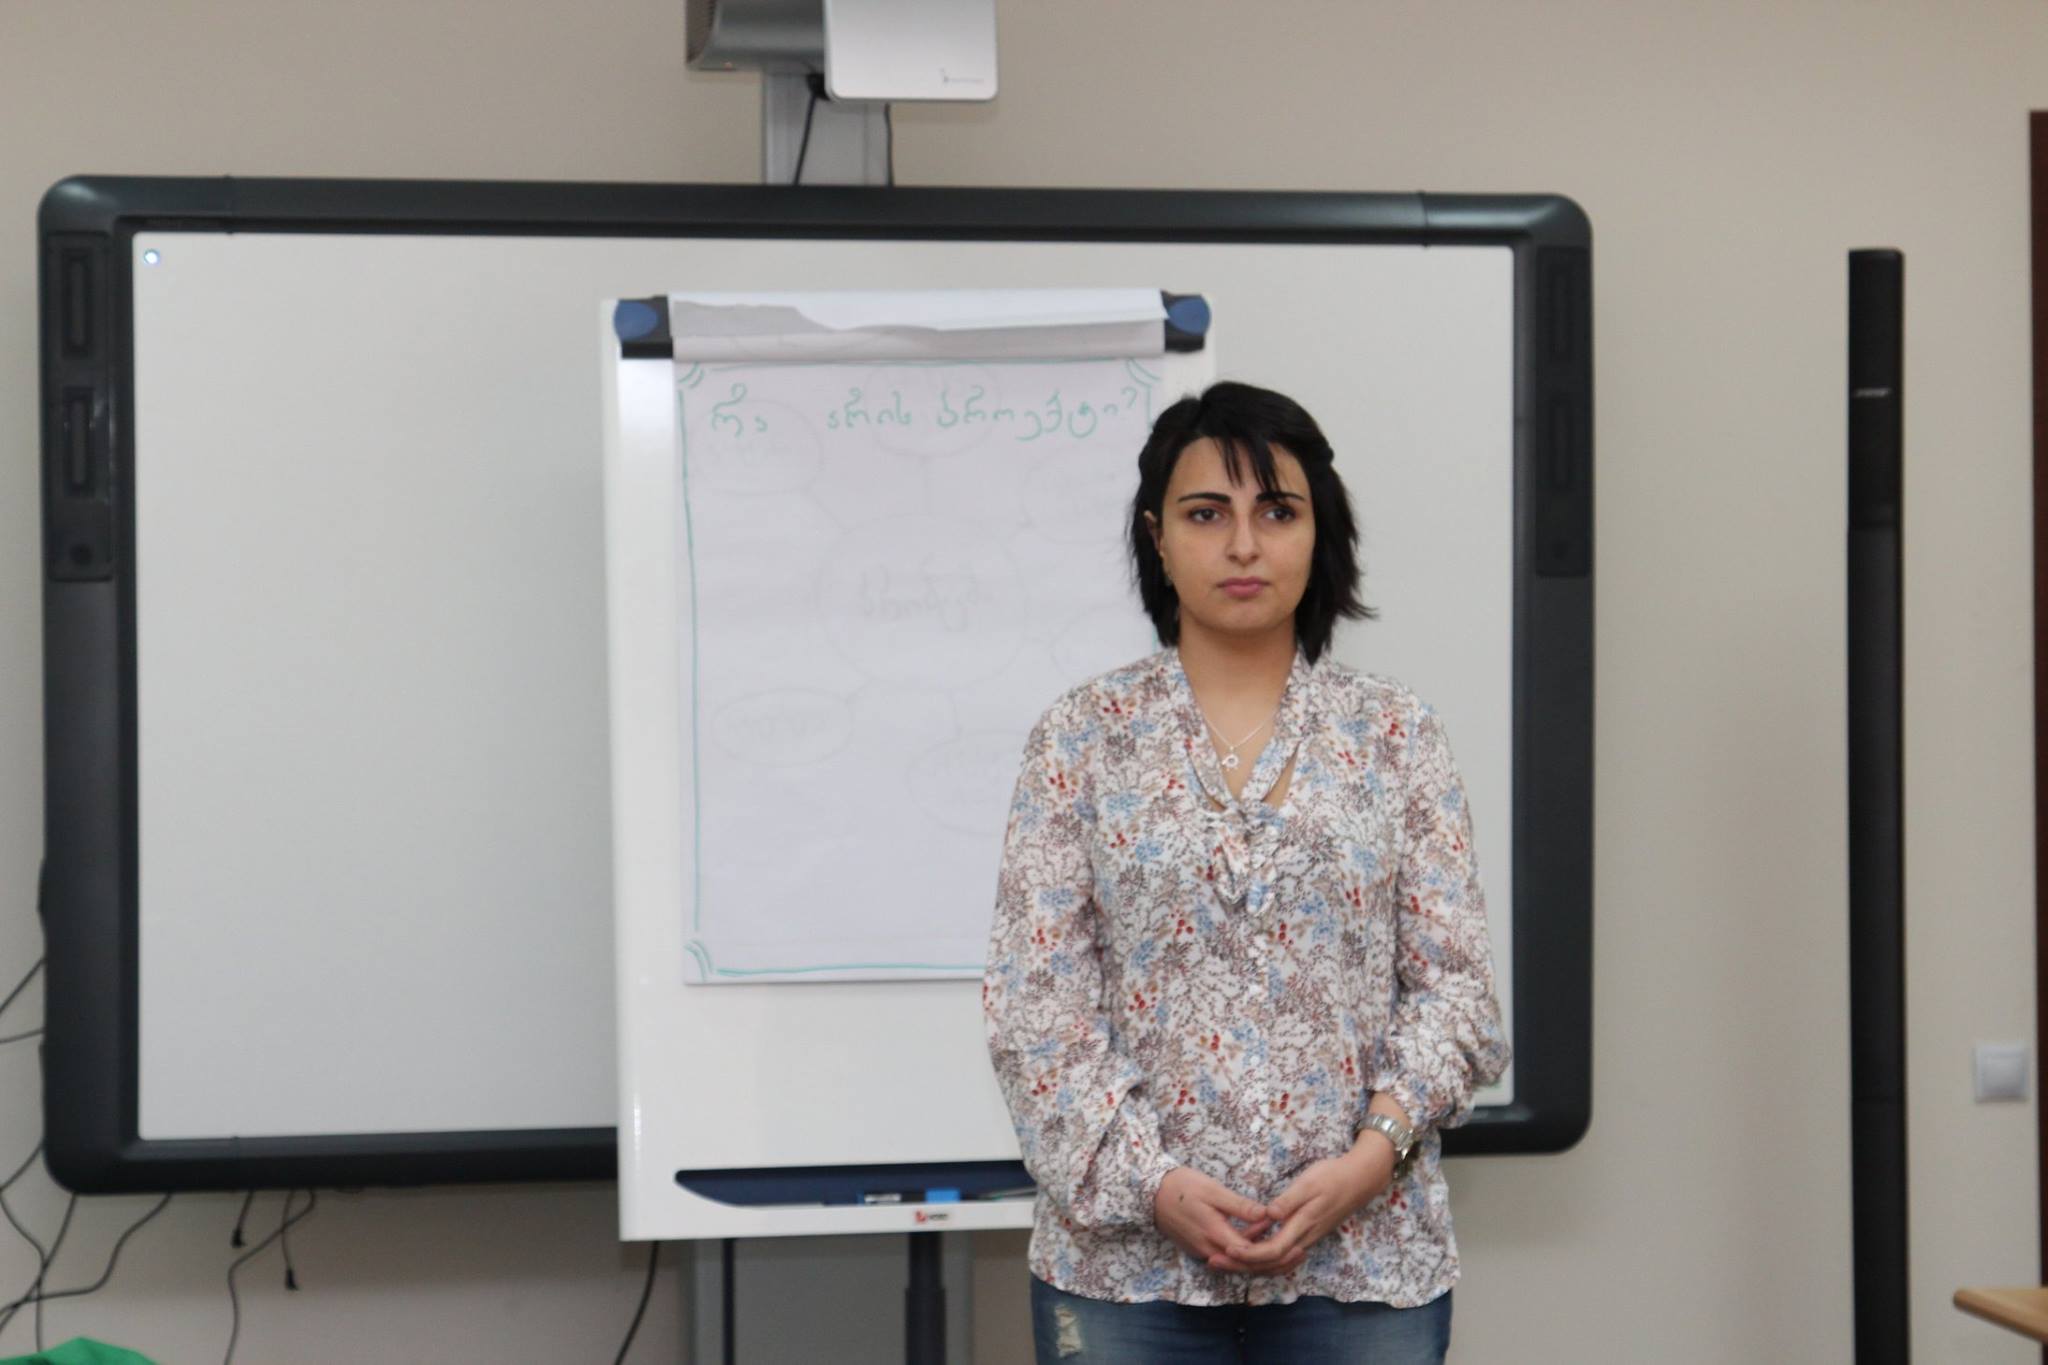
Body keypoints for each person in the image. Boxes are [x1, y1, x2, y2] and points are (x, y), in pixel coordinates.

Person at [982, 381, 1511, 1364]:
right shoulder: (1080, 738)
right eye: (1204, 514)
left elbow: (1457, 994)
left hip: (1364, 1262)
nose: (1241, 545)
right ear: (1156, 538)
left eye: (1275, 511)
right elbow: (1035, 1007)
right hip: (1125, 1272)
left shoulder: (1396, 736)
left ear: (1320, 532)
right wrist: (1154, 1185)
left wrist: (1369, 1162)